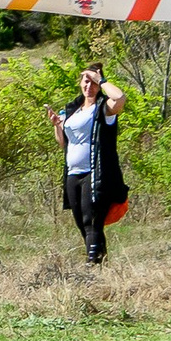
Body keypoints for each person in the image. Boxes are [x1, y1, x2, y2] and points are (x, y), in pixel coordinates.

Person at [56, 65, 128, 264]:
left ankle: (92, 264)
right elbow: (64, 143)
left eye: (93, 82)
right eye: (85, 81)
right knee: (81, 222)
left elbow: (120, 98)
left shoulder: (104, 108)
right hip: (73, 173)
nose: (89, 86)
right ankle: (101, 260)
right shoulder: (73, 110)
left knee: (92, 221)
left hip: (95, 173)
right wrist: (56, 125)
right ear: (80, 83)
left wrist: (102, 80)